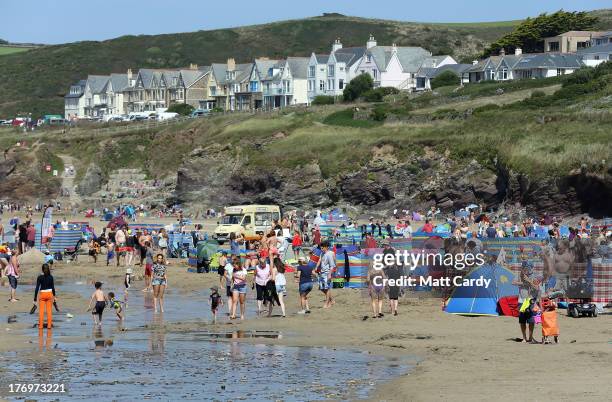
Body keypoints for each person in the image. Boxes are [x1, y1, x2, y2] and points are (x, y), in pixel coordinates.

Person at [34, 264, 56, 329]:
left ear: (42, 270)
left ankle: (40, 326)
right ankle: (49, 326)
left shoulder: (40, 277)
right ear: (48, 269)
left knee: (41, 311)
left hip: (42, 294)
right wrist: (54, 296)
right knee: (49, 311)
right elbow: (53, 288)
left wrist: (35, 298)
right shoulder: (51, 277)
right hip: (49, 294)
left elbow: (37, 288)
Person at [315, 241, 335, 308]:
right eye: (321, 247)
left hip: (327, 273)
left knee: (327, 288)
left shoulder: (329, 254)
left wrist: (329, 274)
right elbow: (319, 260)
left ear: (326, 247)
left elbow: (332, 266)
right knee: (321, 288)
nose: (321, 248)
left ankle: (327, 303)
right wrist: (316, 267)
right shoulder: (322, 253)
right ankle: (331, 299)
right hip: (322, 272)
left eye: (322, 247)